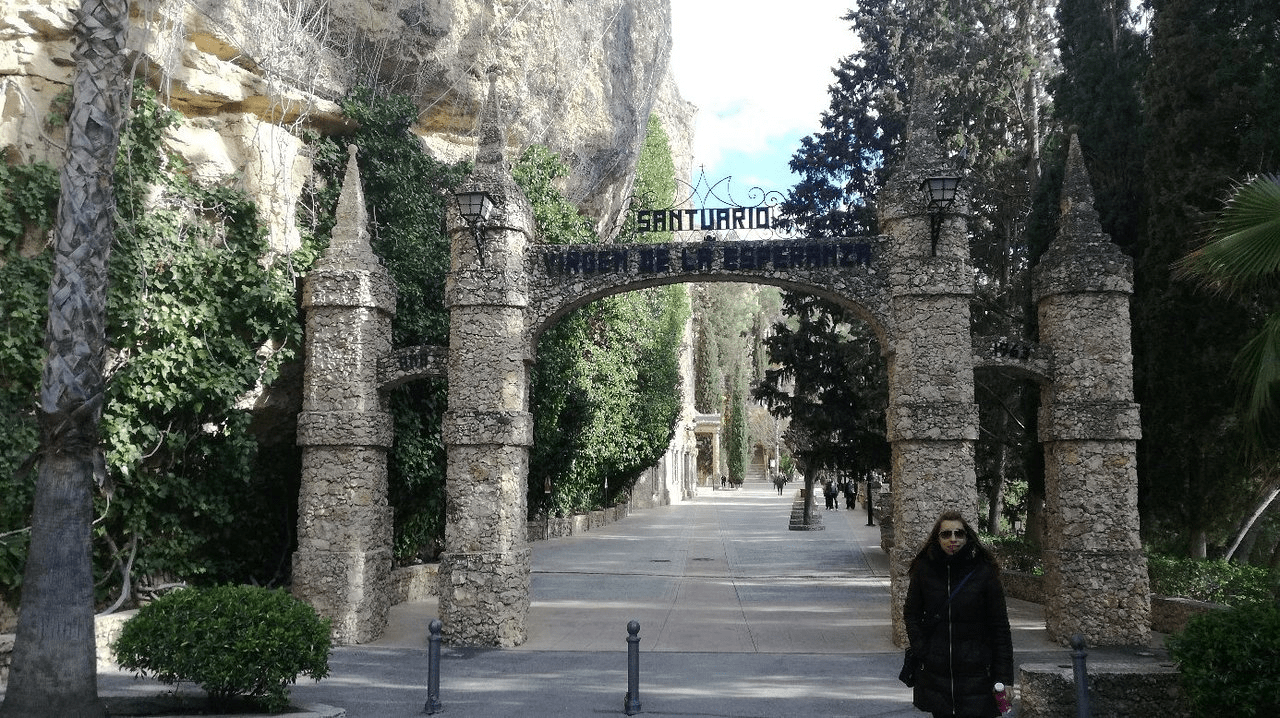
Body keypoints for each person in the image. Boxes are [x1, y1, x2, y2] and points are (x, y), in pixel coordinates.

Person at [903, 510, 1013, 718]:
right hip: (937, 674)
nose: (953, 539)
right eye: (946, 534)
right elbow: (911, 613)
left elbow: (1000, 627)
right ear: (937, 538)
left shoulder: (983, 572)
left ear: (967, 537)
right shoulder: (924, 570)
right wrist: (922, 648)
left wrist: (1005, 677)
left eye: (959, 533)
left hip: (977, 675)